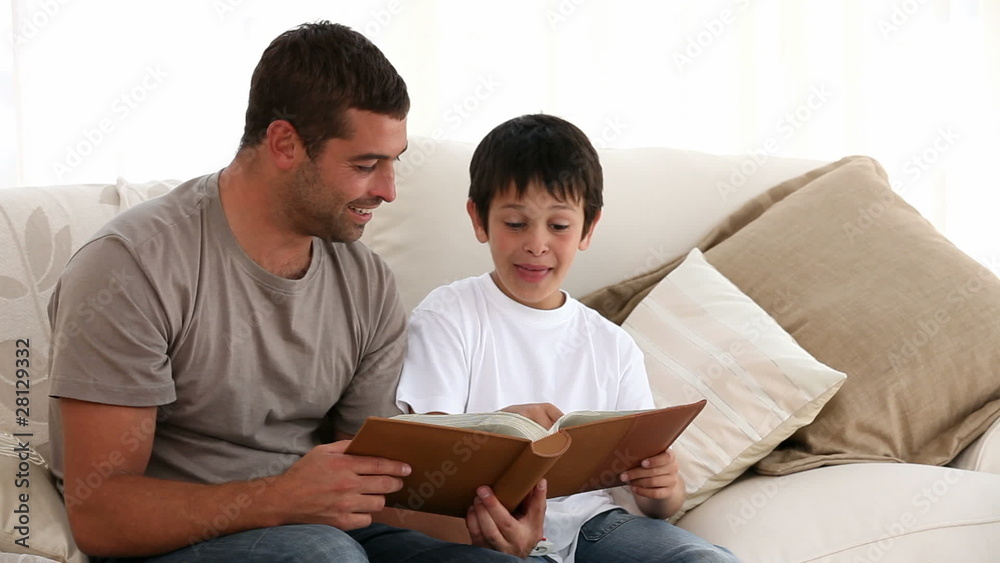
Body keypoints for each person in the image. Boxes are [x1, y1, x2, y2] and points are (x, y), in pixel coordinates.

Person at [46, 21, 543, 562]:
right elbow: (99, 512)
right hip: (185, 542)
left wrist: (488, 526)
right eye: (364, 165)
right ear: (284, 143)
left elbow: (384, 486)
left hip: (326, 531)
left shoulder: (367, 283)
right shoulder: (133, 267)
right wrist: (279, 499)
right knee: (324, 555)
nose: (388, 191)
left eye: (392, 162)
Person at [395, 114, 741, 563]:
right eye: (516, 223)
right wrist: (497, 429)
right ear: (479, 219)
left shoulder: (611, 345)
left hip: (597, 527)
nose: (537, 244)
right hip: (489, 526)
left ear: (588, 227)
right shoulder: (448, 316)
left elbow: (649, 498)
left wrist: (664, 490)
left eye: (558, 226)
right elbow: (427, 462)